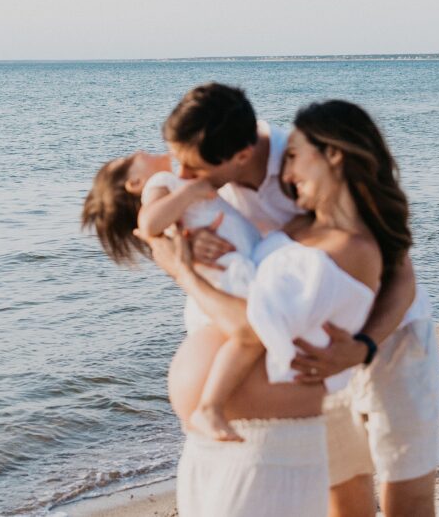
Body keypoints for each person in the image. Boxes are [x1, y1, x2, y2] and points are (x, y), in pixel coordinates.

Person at [161, 84, 439, 517]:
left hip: (388, 335)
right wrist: (187, 242)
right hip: (311, 347)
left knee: (404, 475)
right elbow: (154, 219)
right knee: (342, 477)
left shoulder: (311, 175)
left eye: (193, 168)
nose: (183, 175)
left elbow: (401, 279)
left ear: (234, 157)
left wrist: (362, 345)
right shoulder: (218, 186)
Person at [81, 149, 368, 443]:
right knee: (254, 328)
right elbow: (150, 224)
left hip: (237, 269)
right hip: (229, 273)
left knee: (265, 321)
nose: (139, 151)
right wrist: (192, 194)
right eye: (128, 161)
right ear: (134, 183)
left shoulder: (186, 187)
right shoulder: (162, 185)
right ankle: (210, 406)